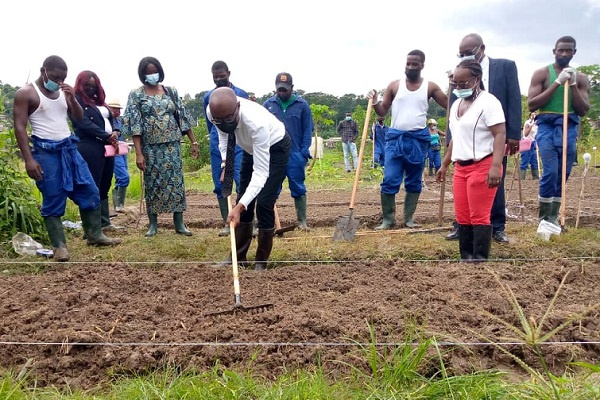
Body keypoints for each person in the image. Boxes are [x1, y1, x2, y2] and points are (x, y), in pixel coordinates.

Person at [12, 55, 120, 262]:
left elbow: (78, 118)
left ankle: (94, 234)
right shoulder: (27, 93)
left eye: (63, 78)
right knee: (53, 195)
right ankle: (59, 246)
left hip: (70, 148)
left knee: (89, 188)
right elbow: (20, 127)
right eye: (55, 77)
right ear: (43, 71)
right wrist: (29, 160)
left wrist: (71, 99)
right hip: (46, 152)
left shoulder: (64, 92)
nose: (59, 82)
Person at [445, 33, 522, 243]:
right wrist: (451, 141)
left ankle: (496, 227)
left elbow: (514, 98)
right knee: (465, 185)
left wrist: (514, 133)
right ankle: (463, 227)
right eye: (461, 54)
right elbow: (455, 110)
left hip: (497, 134)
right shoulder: (459, 74)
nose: (464, 57)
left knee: (494, 179)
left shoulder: (504, 67)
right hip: (467, 136)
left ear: (482, 48)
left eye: (468, 53)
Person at [207, 87, 290, 271]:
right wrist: (224, 164)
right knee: (243, 197)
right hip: (250, 148)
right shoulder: (213, 112)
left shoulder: (256, 123)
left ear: (238, 107)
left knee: (264, 202)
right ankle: (238, 258)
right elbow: (223, 137)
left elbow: (260, 174)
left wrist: (238, 207)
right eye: (218, 121)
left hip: (275, 147)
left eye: (228, 119)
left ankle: (261, 261)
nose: (224, 123)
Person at [367, 49, 448, 229]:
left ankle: (409, 219)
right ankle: (388, 219)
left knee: (413, 180)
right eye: (408, 63)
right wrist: (374, 101)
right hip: (395, 140)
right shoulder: (395, 86)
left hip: (418, 141)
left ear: (422, 66)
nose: (410, 67)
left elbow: (450, 104)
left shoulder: (430, 87)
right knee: (390, 178)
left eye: (415, 64)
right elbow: (382, 111)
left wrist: (456, 86)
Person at [437, 59, 506, 261]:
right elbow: (455, 139)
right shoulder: (457, 104)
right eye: (455, 84)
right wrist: (445, 163)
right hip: (461, 168)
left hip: (483, 165)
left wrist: (496, 166)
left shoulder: (489, 102)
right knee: (463, 216)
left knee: (479, 215)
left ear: (476, 79)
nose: (458, 87)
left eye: (463, 83)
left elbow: (500, 134)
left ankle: (479, 260)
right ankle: (466, 258)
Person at [121, 56, 199, 237]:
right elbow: (135, 125)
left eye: (154, 71)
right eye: (147, 73)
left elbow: (183, 118)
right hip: (151, 149)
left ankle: (179, 223)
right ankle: (153, 224)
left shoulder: (170, 91)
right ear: (142, 75)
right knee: (153, 184)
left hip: (172, 146)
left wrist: (193, 142)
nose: (151, 75)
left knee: (176, 183)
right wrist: (139, 154)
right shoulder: (136, 94)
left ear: (160, 72)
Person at [527, 36, 590, 225]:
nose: (564, 54)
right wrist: (557, 83)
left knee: (564, 172)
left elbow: (583, 110)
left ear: (574, 52)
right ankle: (545, 219)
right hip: (547, 127)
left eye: (568, 50)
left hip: (569, 127)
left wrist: (571, 85)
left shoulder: (580, 78)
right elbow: (532, 104)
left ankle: (555, 217)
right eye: (560, 50)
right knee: (551, 171)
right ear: (554, 51)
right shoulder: (542, 74)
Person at [203, 61, 249, 237]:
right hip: (218, 142)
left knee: (241, 179)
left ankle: (245, 222)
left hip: (239, 142)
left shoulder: (241, 94)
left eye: (222, 76)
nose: (219, 79)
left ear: (229, 74)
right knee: (220, 182)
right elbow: (210, 124)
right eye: (216, 77)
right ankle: (227, 222)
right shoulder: (208, 97)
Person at [264, 72, 314, 230]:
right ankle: (268, 223)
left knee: (298, 186)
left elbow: (308, 130)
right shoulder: (268, 105)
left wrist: (303, 151)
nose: (282, 92)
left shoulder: (302, 105)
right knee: (271, 188)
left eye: (285, 89)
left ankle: (302, 222)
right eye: (279, 89)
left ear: (292, 88)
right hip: (274, 155)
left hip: (295, 155)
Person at [71, 71, 120, 231]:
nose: (91, 88)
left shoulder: (100, 102)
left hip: (107, 146)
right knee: (93, 186)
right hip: (89, 146)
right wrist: (106, 135)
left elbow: (113, 120)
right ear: (81, 85)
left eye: (94, 85)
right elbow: (83, 123)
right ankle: (92, 228)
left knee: (105, 183)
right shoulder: (75, 100)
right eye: (87, 85)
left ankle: (105, 223)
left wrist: (115, 133)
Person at [107, 98, 130, 212]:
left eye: (119, 110)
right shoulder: (107, 122)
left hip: (121, 152)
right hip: (113, 152)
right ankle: (119, 205)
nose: (118, 112)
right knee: (124, 177)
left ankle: (118, 205)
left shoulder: (119, 122)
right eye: (115, 109)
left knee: (120, 178)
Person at [520, 112, 539, 180]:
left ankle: (536, 177)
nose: (534, 116)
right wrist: (531, 124)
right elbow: (525, 134)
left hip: (533, 143)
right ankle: (522, 178)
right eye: (532, 114)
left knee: (534, 161)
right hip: (526, 142)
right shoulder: (527, 122)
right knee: (525, 161)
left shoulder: (537, 124)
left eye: (535, 114)